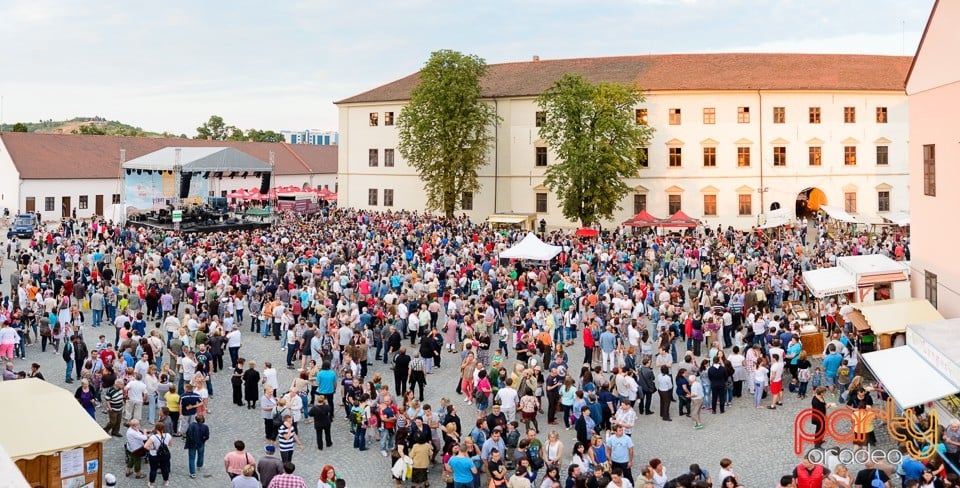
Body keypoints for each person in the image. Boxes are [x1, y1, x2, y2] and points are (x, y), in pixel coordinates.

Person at [144, 422, 173, 487]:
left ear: (156, 429)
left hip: (154, 455)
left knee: (153, 469)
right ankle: (166, 481)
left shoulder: (153, 437)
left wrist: (152, 448)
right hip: (165, 455)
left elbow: (145, 446)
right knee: (165, 468)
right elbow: (170, 444)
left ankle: (151, 483)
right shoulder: (168, 435)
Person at [185, 414, 210, 479]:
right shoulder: (205, 427)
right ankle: (199, 465)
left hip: (192, 444)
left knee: (191, 458)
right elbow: (207, 436)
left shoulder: (191, 425)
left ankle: (192, 473)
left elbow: (188, 434)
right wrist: (203, 440)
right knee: (201, 454)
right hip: (201, 443)